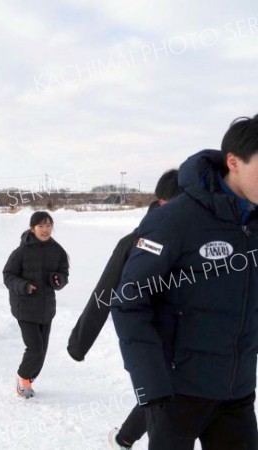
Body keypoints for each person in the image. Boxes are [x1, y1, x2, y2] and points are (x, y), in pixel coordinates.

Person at [111, 115, 258, 450]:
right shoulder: (176, 219)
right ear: (234, 162)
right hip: (177, 394)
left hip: (237, 391)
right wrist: (151, 385)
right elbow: (129, 302)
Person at [66, 170, 181, 450]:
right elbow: (104, 293)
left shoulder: (194, 241)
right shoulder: (134, 242)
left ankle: (123, 438)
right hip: (150, 343)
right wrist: (79, 344)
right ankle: (125, 439)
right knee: (162, 403)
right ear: (164, 202)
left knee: (171, 397)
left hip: (189, 343)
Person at [3, 211, 69, 398]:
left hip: (46, 308)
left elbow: (63, 274)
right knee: (35, 348)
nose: (45, 229)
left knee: (42, 351)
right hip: (24, 307)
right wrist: (24, 286)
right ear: (33, 228)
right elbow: (8, 276)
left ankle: (29, 379)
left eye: (48, 225)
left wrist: (59, 280)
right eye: (41, 226)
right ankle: (22, 378)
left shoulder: (57, 250)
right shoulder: (21, 251)